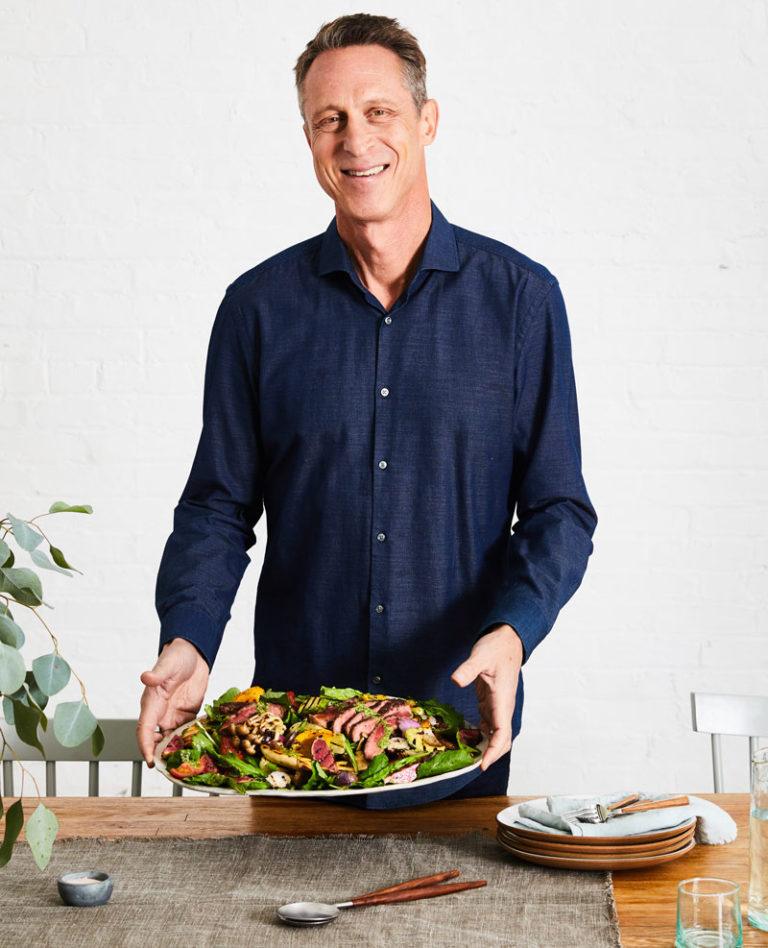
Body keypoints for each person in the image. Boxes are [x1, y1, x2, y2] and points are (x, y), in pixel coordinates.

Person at [136, 13, 597, 809]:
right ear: (308, 138)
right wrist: (188, 638)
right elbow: (216, 506)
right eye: (329, 119)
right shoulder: (257, 310)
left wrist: (516, 631)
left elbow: (559, 509)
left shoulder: (521, 303)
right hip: (291, 753)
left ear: (427, 120)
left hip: (456, 744)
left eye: (379, 111)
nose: (356, 139)